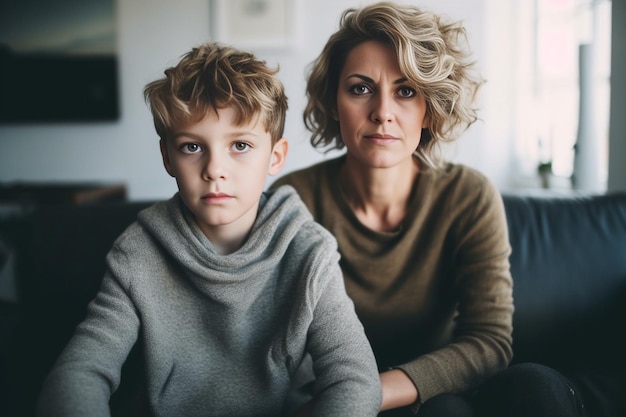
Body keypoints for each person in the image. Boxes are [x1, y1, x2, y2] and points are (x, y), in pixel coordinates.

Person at [272, 2, 586, 416]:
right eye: (360, 88)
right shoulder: (293, 199)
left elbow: (489, 342)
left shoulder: (467, 195)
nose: (382, 112)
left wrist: (364, 393)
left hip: (432, 397)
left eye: (405, 91)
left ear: (429, 108)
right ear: (333, 102)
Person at [36, 42, 382, 417]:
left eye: (240, 145)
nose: (214, 169)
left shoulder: (310, 252)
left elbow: (355, 380)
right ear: (167, 157)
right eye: (191, 147)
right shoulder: (138, 252)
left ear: (275, 157)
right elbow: (81, 370)